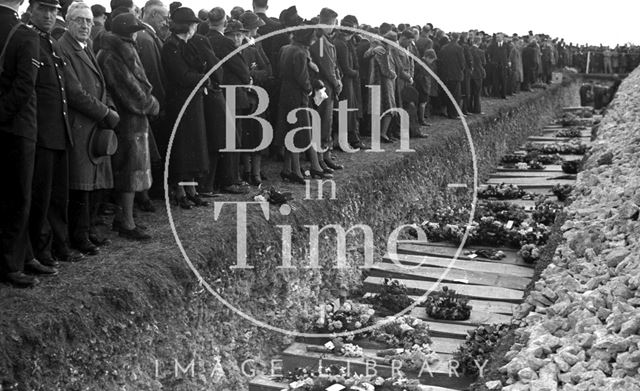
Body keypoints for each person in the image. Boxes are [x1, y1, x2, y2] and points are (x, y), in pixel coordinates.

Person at [58, 1, 120, 255]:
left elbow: (99, 84)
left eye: (88, 21)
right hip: (80, 124)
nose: (85, 25)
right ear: (69, 22)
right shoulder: (63, 48)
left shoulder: (86, 46)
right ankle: (79, 235)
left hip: (93, 125)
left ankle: (88, 230)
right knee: (80, 184)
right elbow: (75, 92)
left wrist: (108, 107)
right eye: (79, 20)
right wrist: (105, 112)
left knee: (93, 182)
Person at [27, 0, 84, 268]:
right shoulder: (29, 41)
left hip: (59, 131)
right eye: (43, 9)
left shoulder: (49, 42)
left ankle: (59, 245)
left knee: (58, 195)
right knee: (42, 196)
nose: (49, 15)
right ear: (31, 10)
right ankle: (42, 249)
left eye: (54, 11)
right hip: (41, 133)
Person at [97, 13, 159, 240]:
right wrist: (151, 104)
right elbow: (130, 89)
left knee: (131, 169)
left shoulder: (117, 50)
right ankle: (126, 222)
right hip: (128, 120)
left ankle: (126, 218)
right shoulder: (115, 53)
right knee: (129, 170)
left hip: (132, 119)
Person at [0, 0, 47, 287]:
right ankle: (12, 264)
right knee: (19, 195)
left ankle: (23, 255)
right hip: (17, 126)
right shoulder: (25, 34)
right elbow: (25, 85)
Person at [161, 7, 212, 209]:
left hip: (192, 101)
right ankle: (180, 191)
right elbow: (181, 76)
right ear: (185, 25)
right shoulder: (171, 46)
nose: (194, 27)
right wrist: (205, 79)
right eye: (192, 24)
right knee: (182, 149)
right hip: (180, 102)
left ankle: (191, 190)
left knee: (193, 148)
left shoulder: (185, 44)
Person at [205, 7, 249, 194]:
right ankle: (230, 180)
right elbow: (242, 70)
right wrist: (249, 79)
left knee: (219, 137)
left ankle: (222, 180)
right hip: (232, 94)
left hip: (215, 94)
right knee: (232, 137)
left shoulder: (204, 38)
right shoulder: (224, 42)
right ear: (224, 22)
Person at [137, 0, 168, 204]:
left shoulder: (148, 36)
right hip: (153, 104)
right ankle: (152, 191)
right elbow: (153, 76)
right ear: (154, 16)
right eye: (164, 18)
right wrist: (160, 104)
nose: (166, 22)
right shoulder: (146, 39)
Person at [238, 10, 272, 185]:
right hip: (244, 95)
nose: (256, 31)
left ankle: (256, 171)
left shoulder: (256, 45)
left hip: (257, 95)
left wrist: (252, 74)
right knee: (245, 133)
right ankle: (248, 170)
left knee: (258, 133)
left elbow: (268, 70)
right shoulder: (238, 46)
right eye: (255, 28)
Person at [310, 7, 343, 170]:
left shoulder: (323, 39)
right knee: (322, 122)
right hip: (322, 88)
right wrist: (337, 83)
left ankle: (325, 156)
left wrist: (337, 80)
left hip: (326, 87)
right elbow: (328, 67)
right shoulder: (321, 41)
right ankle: (321, 158)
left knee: (326, 122)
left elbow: (333, 66)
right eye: (333, 23)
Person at [334, 15, 367, 150]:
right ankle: (348, 140)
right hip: (347, 82)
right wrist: (357, 73)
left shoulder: (344, 42)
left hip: (349, 81)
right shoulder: (342, 44)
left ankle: (351, 139)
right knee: (348, 111)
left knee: (349, 111)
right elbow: (347, 68)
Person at [368, 34, 396, 142]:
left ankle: (377, 133)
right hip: (383, 83)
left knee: (376, 109)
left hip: (375, 81)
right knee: (388, 108)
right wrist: (394, 75)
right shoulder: (383, 51)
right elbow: (385, 70)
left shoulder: (375, 48)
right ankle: (383, 134)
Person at [437, 34, 465, 119]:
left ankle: (445, 111)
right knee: (455, 95)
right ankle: (453, 114)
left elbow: (440, 60)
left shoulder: (444, 47)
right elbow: (462, 63)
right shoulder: (459, 48)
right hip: (455, 75)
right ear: (458, 38)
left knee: (446, 94)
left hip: (445, 75)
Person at [487, 33, 509, 98]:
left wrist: (506, 63)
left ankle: (503, 95)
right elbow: (488, 54)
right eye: (496, 37)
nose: (497, 38)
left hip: (503, 65)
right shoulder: (493, 45)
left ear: (502, 38)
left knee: (503, 80)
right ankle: (496, 94)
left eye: (499, 37)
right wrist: (492, 62)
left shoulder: (506, 45)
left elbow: (508, 55)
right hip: (495, 66)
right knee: (495, 80)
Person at [469, 36, 486, 114]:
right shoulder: (481, 52)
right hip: (478, 74)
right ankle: (477, 110)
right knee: (477, 93)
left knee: (470, 92)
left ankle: (469, 109)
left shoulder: (468, 50)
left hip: (470, 74)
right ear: (479, 42)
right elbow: (484, 63)